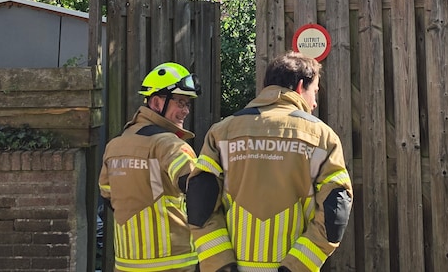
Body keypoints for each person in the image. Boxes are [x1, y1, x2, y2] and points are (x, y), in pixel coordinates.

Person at [185, 51, 353, 272]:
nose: (314, 103)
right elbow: (336, 208)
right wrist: (297, 266)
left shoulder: (222, 132)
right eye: (315, 92)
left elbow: (200, 204)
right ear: (300, 86)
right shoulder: (321, 136)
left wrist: (221, 264)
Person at [99, 62, 201, 272]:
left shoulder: (114, 146)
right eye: (180, 102)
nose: (185, 111)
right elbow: (199, 189)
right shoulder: (170, 145)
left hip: (127, 262)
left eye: (188, 104)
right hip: (173, 263)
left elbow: (108, 197)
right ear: (156, 102)